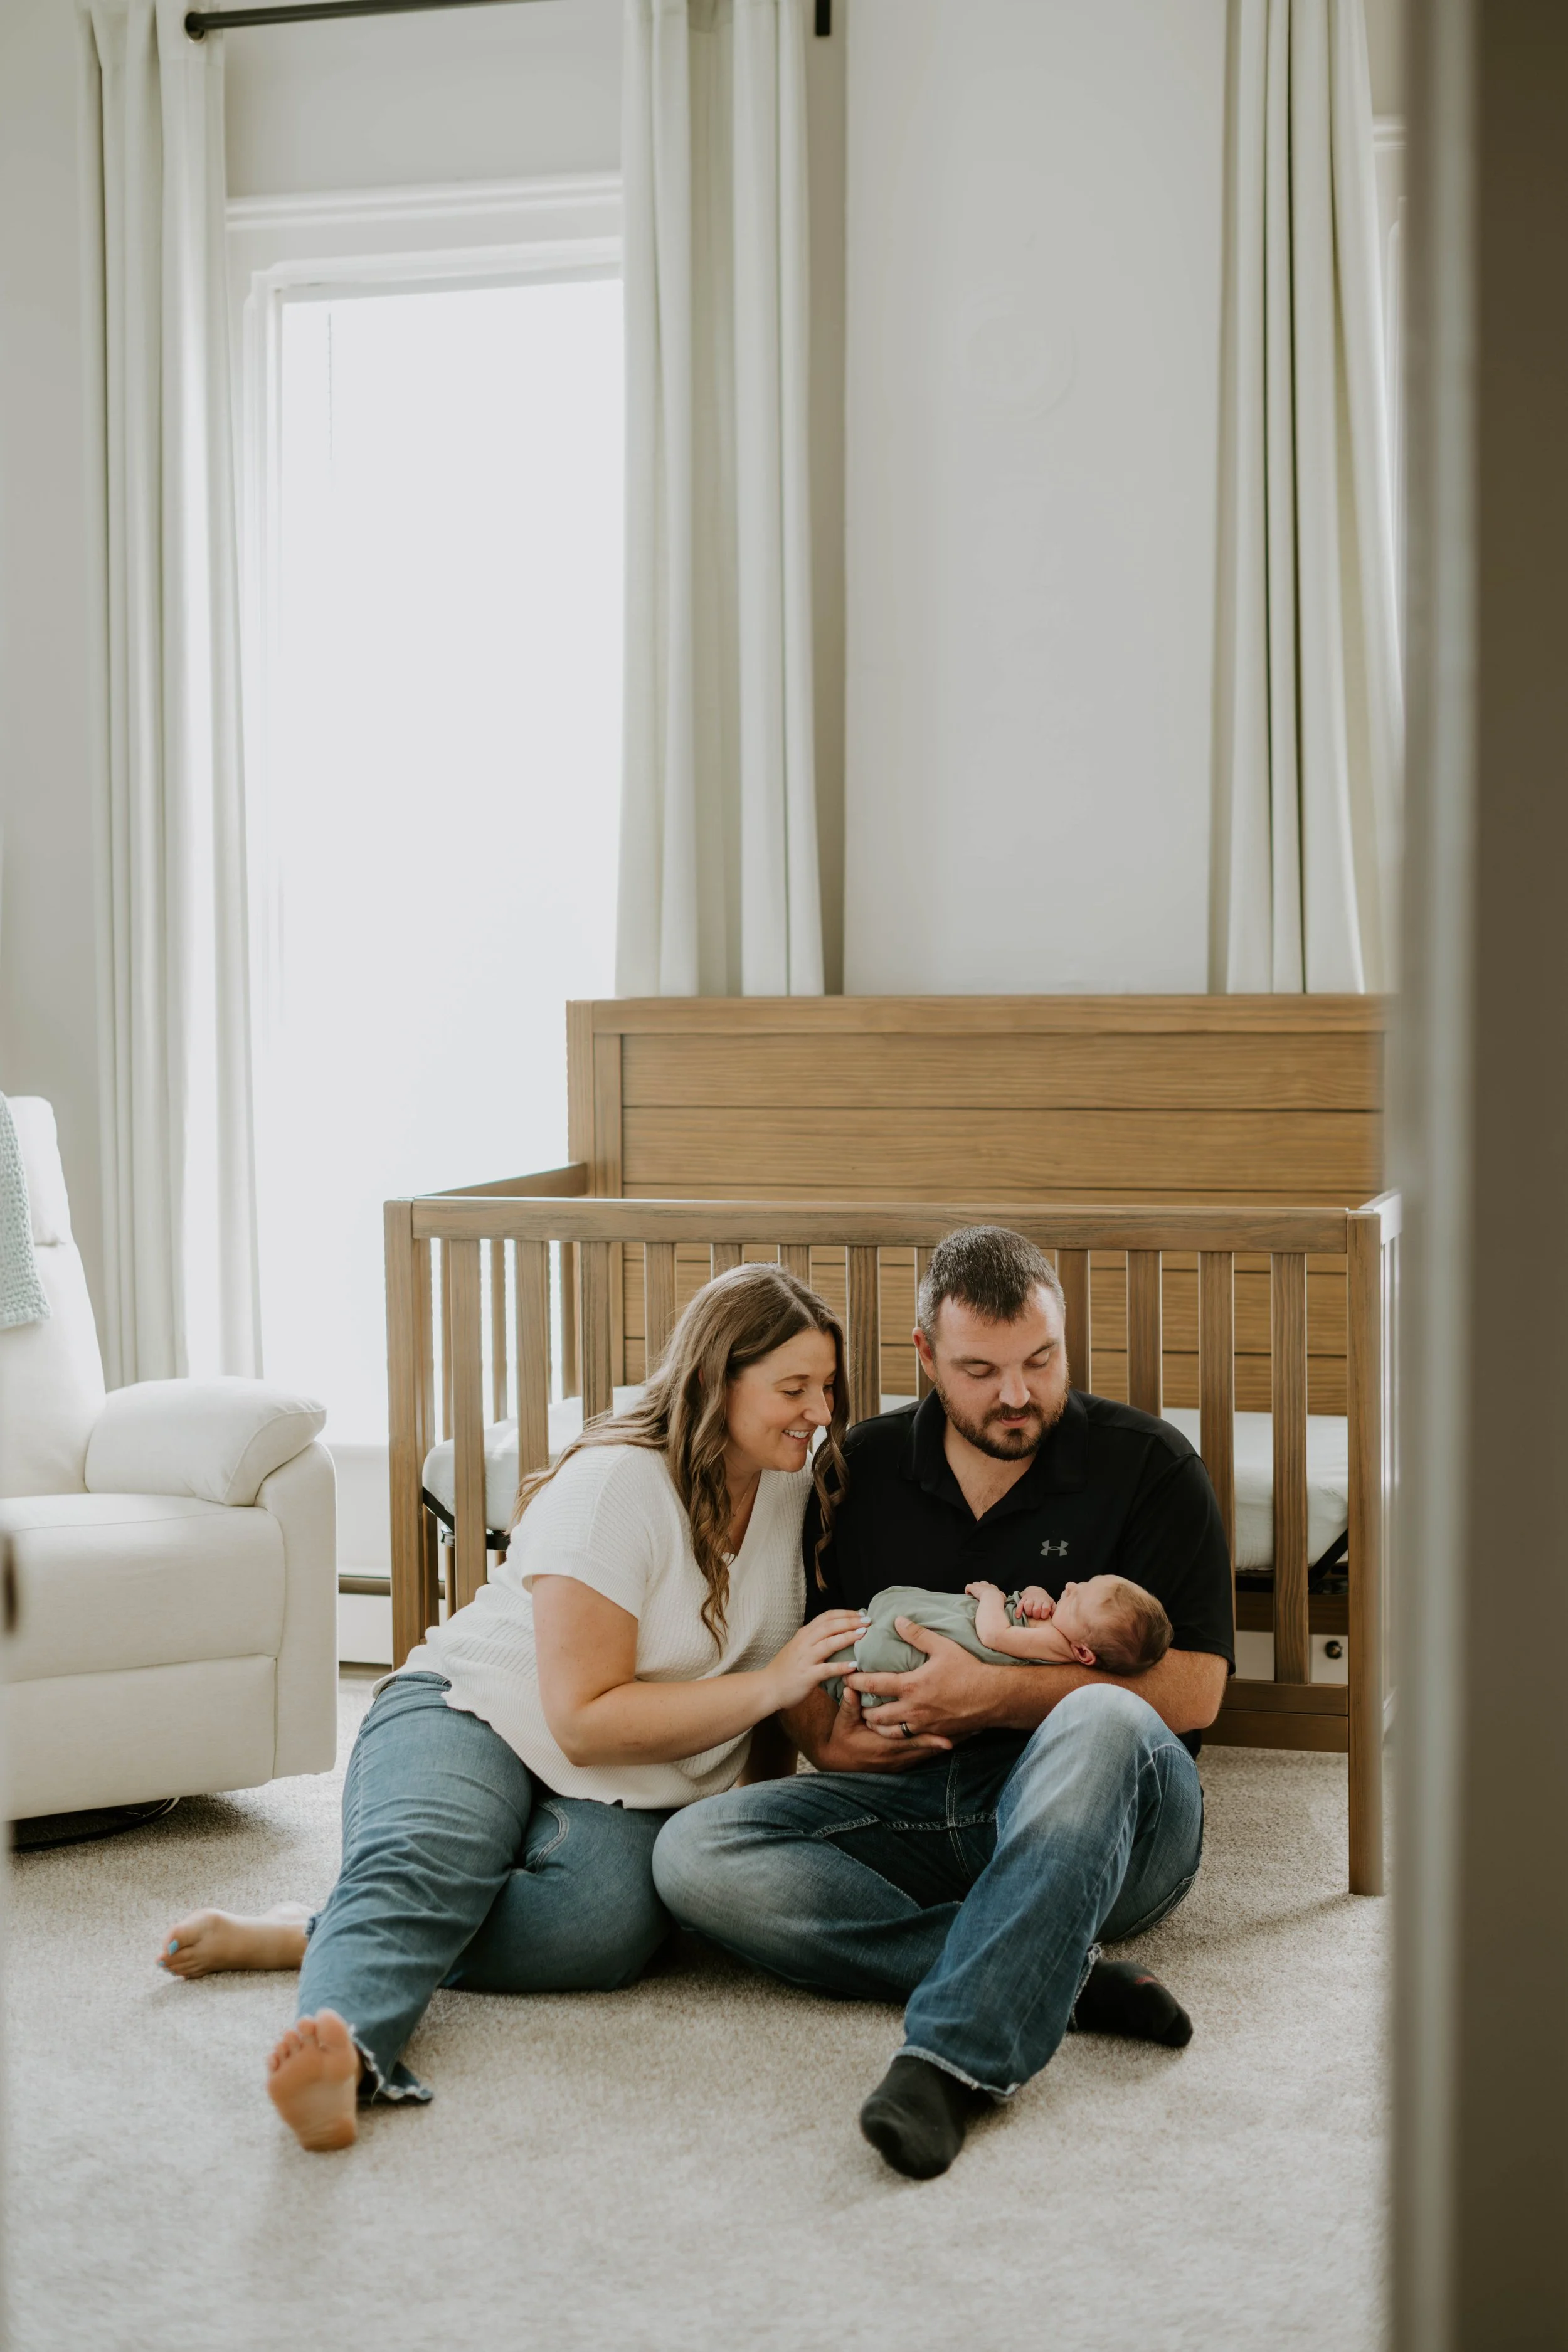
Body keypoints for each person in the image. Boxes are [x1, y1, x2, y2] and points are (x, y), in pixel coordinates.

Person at [157, 1265, 863, 2152]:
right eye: (793, 1388)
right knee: (434, 1857)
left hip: (631, 1778)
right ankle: (347, 2053)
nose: (819, 1411)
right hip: (476, 1711)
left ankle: (311, 1931)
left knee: (604, 1932)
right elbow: (583, 1720)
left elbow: (763, 1694)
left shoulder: (797, 1488)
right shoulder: (617, 1484)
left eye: (826, 1386)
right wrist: (773, 1685)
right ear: (717, 1380)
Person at [653, 1224, 1234, 2181]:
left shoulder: (1150, 1466)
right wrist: (830, 1743)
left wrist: (997, 1694)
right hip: (919, 1802)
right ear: (925, 1355)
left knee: (1101, 1714)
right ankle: (1058, 1970)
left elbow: (1195, 1687)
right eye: (981, 1370)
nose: (1018, 1393)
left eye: (1040, 1360)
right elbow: (808, 1640)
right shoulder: (858, 1470)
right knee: (693, 1854)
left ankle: (951, 2060)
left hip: (1110, 1824)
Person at [825, 1572, 1172, 1705]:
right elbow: (1031, 1611)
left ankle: (839, 1678)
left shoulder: (1055, 1646)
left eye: (1077, 1598)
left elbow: (994, 1635)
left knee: (886, 1644)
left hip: (970, 1634)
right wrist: (1037, 1594)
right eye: (1083, 1584)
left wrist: (992, 1596)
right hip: (977, 1623)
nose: (1070, 1586)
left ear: (1083, 1654)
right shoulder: (1067, 1630)